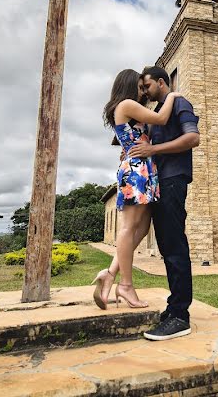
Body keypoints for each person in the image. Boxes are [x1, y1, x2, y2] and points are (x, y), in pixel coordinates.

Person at [93, 69, 180, 310]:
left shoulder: (128, 108)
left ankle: (110, 273)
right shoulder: (127, 104)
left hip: (144, 168)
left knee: (142, 228)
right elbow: (161, 118)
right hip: (136, 168)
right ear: (130, 86)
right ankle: (126, 286)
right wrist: (172, 95)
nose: (144, 92)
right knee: (129, 227)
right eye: (140, 87)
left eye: (145, 87)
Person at [128, 66, 200, 341]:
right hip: (159, 184)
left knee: (174, 246)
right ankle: (174, 308)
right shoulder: (159, 113)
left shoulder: (179, 102)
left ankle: (181, 315)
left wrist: (153, 149)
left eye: (147, 87)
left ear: (161, 82)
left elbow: (193, 138)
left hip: (173, 181)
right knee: (167, 246)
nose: (144, 92)